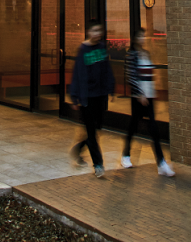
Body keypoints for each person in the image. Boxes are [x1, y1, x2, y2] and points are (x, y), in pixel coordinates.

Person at [122, 28, 175, 176]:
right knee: (135, 126)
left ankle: (161, 163)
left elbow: (150, 74)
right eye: (140, 36)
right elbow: (130, 76)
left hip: (149, 97)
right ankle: (127, 155)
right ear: (134, 38)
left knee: (151, 128)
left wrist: (153, 92)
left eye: (144, 36)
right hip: (139, 98)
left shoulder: (146, 53)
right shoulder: (131, 55)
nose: (142, 39)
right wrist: (139, 94)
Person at [68, 22, 114, 178]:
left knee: (96, 129)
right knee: (92, 132)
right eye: (94, 30)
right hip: (87, 97)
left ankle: (79, 148)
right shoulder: (83, 50)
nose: (97, 33)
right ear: (88, 32)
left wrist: (111, 87)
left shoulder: (101, 48)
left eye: (99, 30)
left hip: (100, 95)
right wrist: (75, 97)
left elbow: (107, 69)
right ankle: (98, 164)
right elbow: (77, 74)